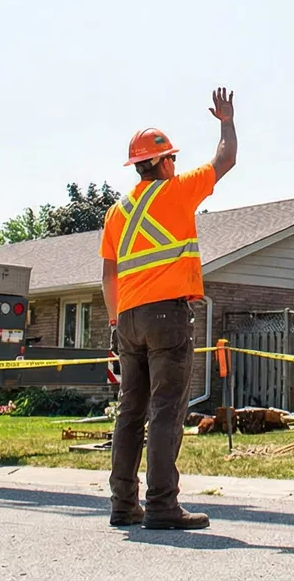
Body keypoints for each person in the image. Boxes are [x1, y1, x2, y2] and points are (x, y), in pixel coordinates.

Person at [100, 88, 236, 531]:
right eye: (172, 158)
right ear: (161, 162)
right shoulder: (177, 191)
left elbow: (108, 275)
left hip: (128, 319)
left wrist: (115, 321)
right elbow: (226, 159)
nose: (175, 164)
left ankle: (123, 505)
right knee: (165, 410)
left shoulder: (116, 212)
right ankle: (161, 505)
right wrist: (226, 121)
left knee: (130, 411)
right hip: (166, 317)